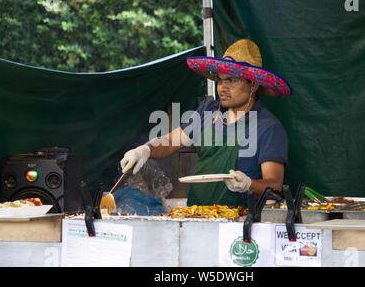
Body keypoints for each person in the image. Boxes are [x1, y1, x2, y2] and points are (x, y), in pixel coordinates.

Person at [120, 39, 292, 207]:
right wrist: (145, 150)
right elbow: (170, 142)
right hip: (197, 215)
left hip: (240, 223)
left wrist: (248, 184)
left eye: (231, 80)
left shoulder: (268, 127)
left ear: (253, 85)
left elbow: (274, 186)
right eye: (220, 80)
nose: (222, 88)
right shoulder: (208, 111)